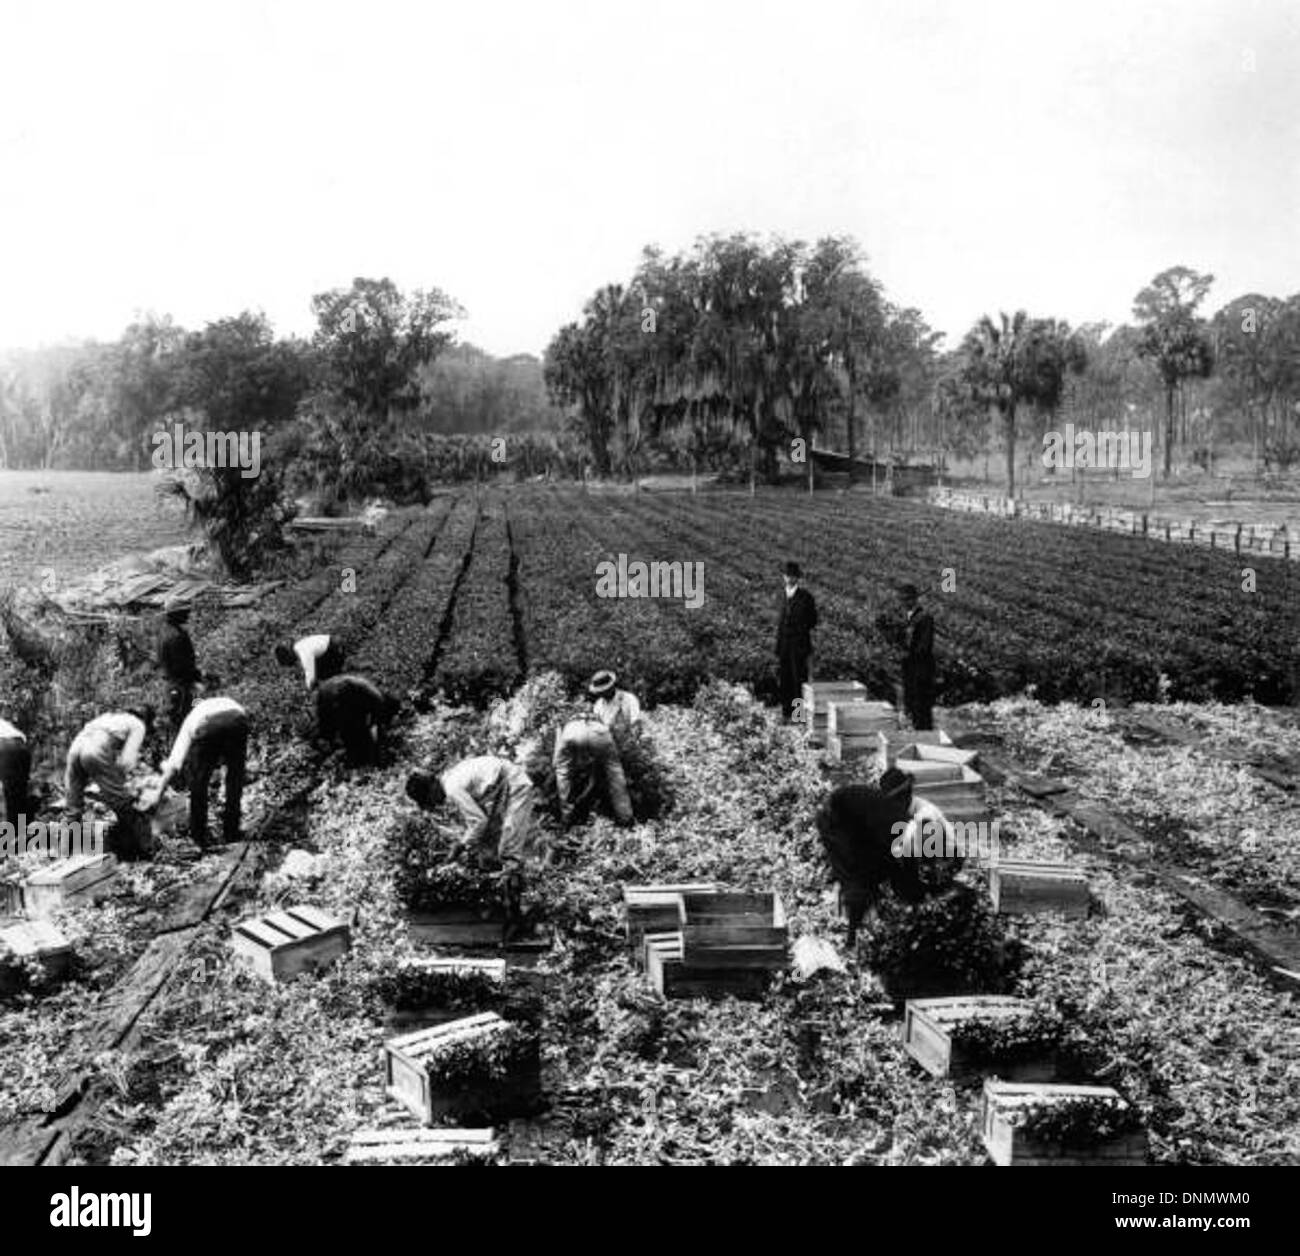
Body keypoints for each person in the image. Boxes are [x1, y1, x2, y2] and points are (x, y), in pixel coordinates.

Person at [405, 756, 545, 941]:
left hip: (513, 786)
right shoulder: (451, 779)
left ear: (432, 788)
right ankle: (505, 905)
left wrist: (460, 846)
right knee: (490, 848)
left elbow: (478, 822)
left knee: (508, 852)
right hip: (502, 787)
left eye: (430, 800)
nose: (435, 804)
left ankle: (518, 919)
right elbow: (480, 823)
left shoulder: (453, 788)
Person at [816, 767, 951, 947]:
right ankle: (852, 939)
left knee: (875, 872)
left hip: (848, 825)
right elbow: (904, 861)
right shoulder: (890, 816)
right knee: (859, 880)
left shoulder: (908, 815)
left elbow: (904, 859)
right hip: (835, 823)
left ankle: (862, 922)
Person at [145, 696, 249, 849]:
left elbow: (173, 763)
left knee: (199, 782)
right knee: (235, 777)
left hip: (208, 725)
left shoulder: (192, 718)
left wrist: (157, 794)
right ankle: (232, 832)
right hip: (238, 719)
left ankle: (199, 836)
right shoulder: (224, 701)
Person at [65, 706, 155, 857]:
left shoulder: (108, 717)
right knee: (122, 802)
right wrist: (126, 785)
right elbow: (126, 762)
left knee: (73, 806)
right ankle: (143, 851)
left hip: (75, 748)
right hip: (95, 748)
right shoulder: (138, 725)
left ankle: (67, 853)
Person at [553, 714, 633, 829]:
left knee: (562, 773)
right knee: (615, 773)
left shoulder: (564, 724)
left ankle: (567, 819)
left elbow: (555, 763)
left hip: (572, 731)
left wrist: (561, 764)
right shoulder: (599, 715)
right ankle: (626, 819)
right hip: (599, 732)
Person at [314, 674, 400, 767]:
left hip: (325, 689)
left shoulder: (372, 691)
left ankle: (319, 756)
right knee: (356, 737)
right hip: (339, 693)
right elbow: (378, 730)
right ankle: (348, 763)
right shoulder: (378, 700)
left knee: (327, 732)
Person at [775, 560, 818, 722]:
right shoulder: (781, 595)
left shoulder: (806, 597)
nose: (789, 578)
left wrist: (799, 630)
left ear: (797, 578)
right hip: (784, 644)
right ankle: (786, 713)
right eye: (786, 575)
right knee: (785, 679)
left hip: (799, 646)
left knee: (798, 681)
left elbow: (813, 620)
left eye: (792, 576)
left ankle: (798, 715)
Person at [157, 605, 202, 740]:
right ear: (176, 613)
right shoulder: (176, 636)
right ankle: (183, 758)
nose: (188, 614)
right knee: (183, 724)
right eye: (185, 611)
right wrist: (196, 677)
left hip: (171, 685)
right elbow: (182, 665)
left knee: (176, 724)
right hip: (180, 686)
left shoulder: (164, 632)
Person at [898, 583, 936, 731]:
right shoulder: (908, 618)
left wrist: (908, 653)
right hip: (909, 668)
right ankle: (916, 731)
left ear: (915, 599)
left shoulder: (925, 618)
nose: (905, 603)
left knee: (922, 705)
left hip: (921, 669)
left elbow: (924, 647)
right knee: (911, 702)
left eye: (908, 599)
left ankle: (925, 735)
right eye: (903, 600)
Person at [276, 634, 346, 692]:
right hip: (332, 644)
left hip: (334, 647)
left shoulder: (303, 652)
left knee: (330, 678)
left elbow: (310, 674)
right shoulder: (298, 646)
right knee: (321, 674)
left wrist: (308, 691)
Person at [0, 715, 32, 832]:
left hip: (5, 747)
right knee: (18, 795)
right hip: (22, 747)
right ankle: (22, 834)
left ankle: (12, 838)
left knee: (11, 798)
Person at [588, 670, 642, 735]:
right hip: (606, 742)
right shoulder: (598, 705)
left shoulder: (629, 699)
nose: (602, 694)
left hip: (625, 740)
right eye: (600, 692)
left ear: (612, 687)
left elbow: (636, 723)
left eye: (605, 691)